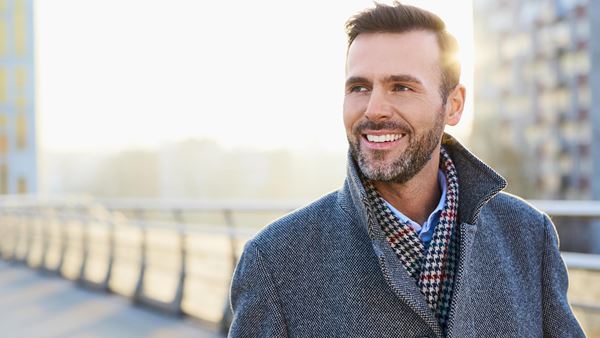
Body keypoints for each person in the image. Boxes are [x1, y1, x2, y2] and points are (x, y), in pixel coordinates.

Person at [228, 2, 585, 337]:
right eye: (359, 87)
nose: (374, 109)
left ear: (454, 105)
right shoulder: (275, 262)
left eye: (401, 87)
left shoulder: (528, 236)